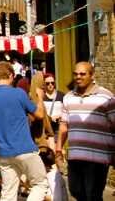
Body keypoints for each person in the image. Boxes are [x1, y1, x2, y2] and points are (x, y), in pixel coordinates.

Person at [0, 61, 49, 201]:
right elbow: (39, 115)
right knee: (40, 184)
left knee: (8, 193)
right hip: (25, 149)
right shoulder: (18, 94)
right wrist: (40, 97)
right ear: (11, 75)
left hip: (4, 153)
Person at [56, 62, 115, 201]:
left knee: (93, 195)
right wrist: (58, 148)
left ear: (92, 75)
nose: (78, 77)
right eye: (76, 74)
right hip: (76, 155)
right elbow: (64, 125)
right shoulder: (68, 97)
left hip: (98, 157)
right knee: (76, 191)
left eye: (83, 74)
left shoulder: (106, 97)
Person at [28, 71, 54, 149]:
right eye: (43, 86)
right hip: (37, 146)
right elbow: (38, 116)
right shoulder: (31, 102)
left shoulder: (37, 102)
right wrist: (39, 97)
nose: (45, 89)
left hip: (41, 145)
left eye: (52, 83)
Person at [41, 73, 64, 139]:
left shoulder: (61, 95)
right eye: (47, 83)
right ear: (44, 84)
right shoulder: (42, 96)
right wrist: (50, 118)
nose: (50, 85)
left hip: (58, 127)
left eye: (52, 83)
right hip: (46, 128)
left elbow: (66, 111)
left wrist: (60, 116)